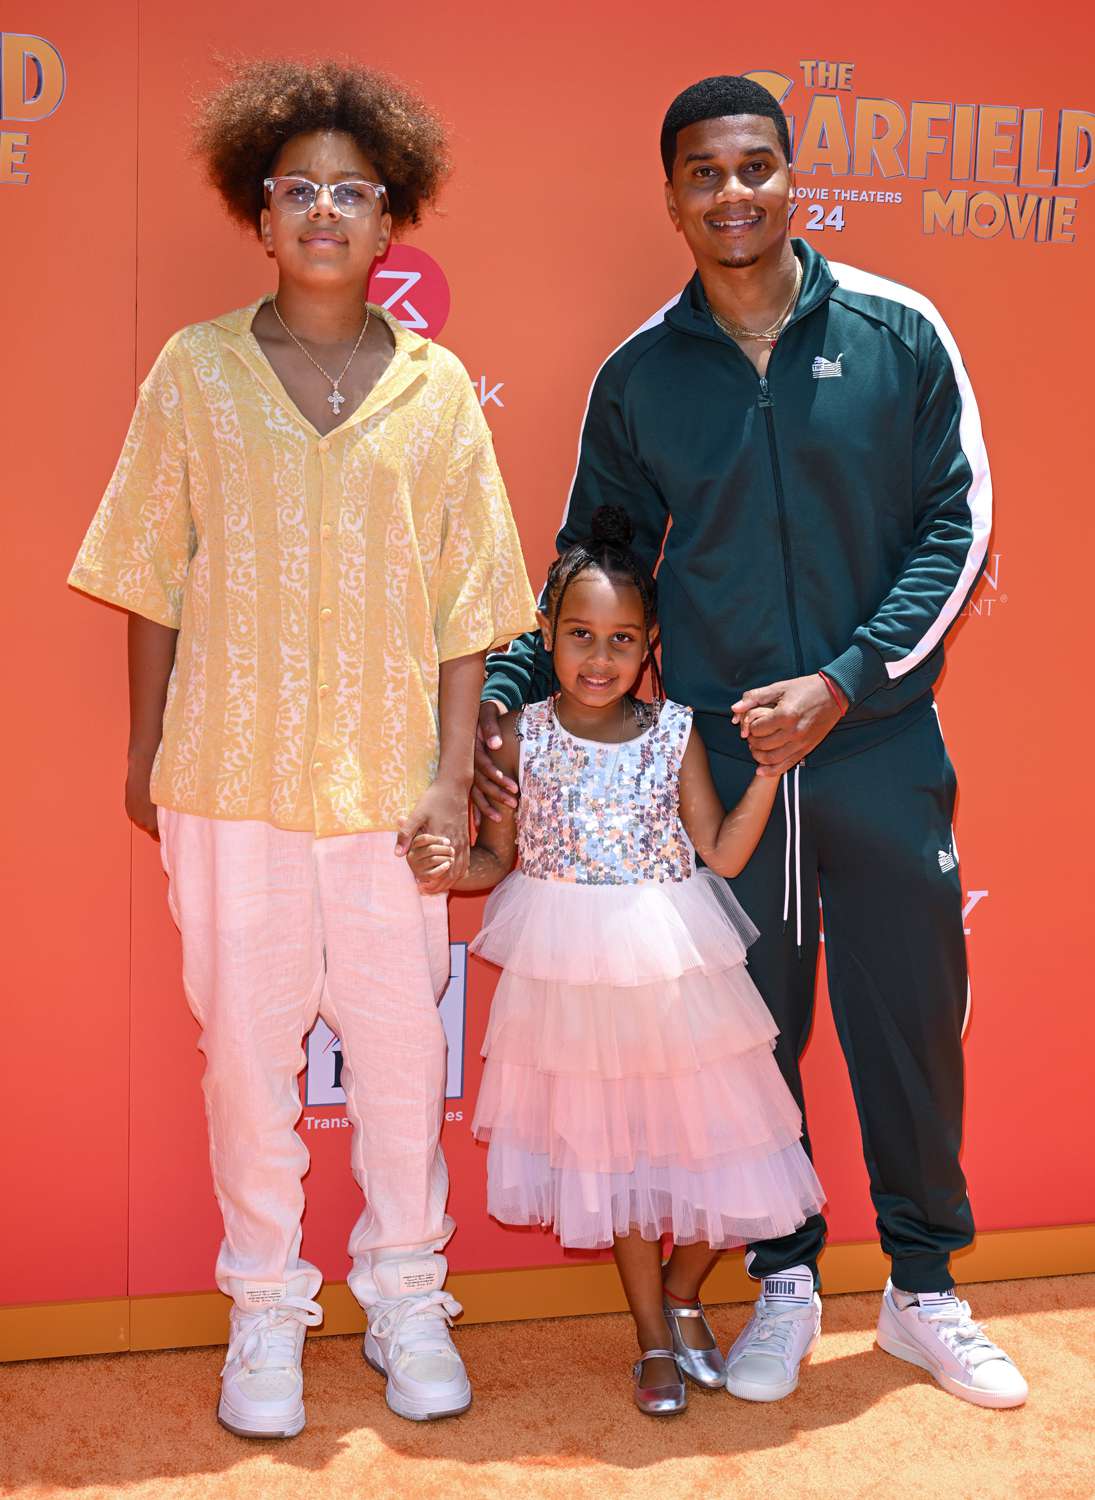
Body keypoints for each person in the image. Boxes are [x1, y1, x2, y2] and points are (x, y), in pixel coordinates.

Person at [474, 75, 1028, 1409]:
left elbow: (953, 532)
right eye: (703, 175)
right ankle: (781, 1278)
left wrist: (840, 682)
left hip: (873, 737)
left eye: (753, 168)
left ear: (792, 177)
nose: (732, 194)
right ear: (669, 196)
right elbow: (592, 562)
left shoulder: (897, 331)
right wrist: (505, 687)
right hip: (724, 766)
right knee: (750, 1034)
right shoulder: (639, 374)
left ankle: (919, 1291)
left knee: (905, 1021)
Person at [68, 58, 536, 1436]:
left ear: (390, 223)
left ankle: (402, 1297)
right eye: (298, 191)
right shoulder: (197, 374)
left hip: (393, 794)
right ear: (258, 217)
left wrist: (453, 779)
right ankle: (264, 1310)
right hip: (229, 781)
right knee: (244, 1061)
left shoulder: (439, 392)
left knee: (399, 1058)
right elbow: (148, 574)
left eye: (353, 191)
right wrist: (145, 753)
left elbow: (468, 614)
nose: (325, 211)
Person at [409, 505, 824, 1415]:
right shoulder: (517, 736)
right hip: (570, 983)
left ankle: (682, 1296)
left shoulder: (674, 734)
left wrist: (767, 774)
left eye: (622, 640)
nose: (599, 659)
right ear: (548, 638)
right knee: (615, 1163)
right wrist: (450, 865)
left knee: (727, 1150)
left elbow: (718, 852)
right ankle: (650, 1338)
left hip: (674, 972)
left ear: (649, 648)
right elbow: (496, 860)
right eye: (580, 636)